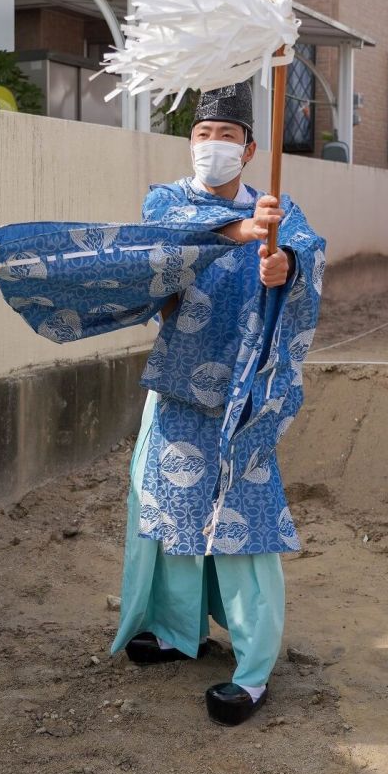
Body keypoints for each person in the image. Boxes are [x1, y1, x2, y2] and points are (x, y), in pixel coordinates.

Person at [110, 81, 325, 726]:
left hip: (242, 396)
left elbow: (306, 262)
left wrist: (281, 260)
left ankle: (254, 670)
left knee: (242, 525)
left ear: (249, 148)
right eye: (202, 136)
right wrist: (240, 230)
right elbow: (166, 241)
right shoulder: (169, 200)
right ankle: (179, 633)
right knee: (170, 509)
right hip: (177, 387)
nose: (211, 147)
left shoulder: (281, 212)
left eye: (225, 137)